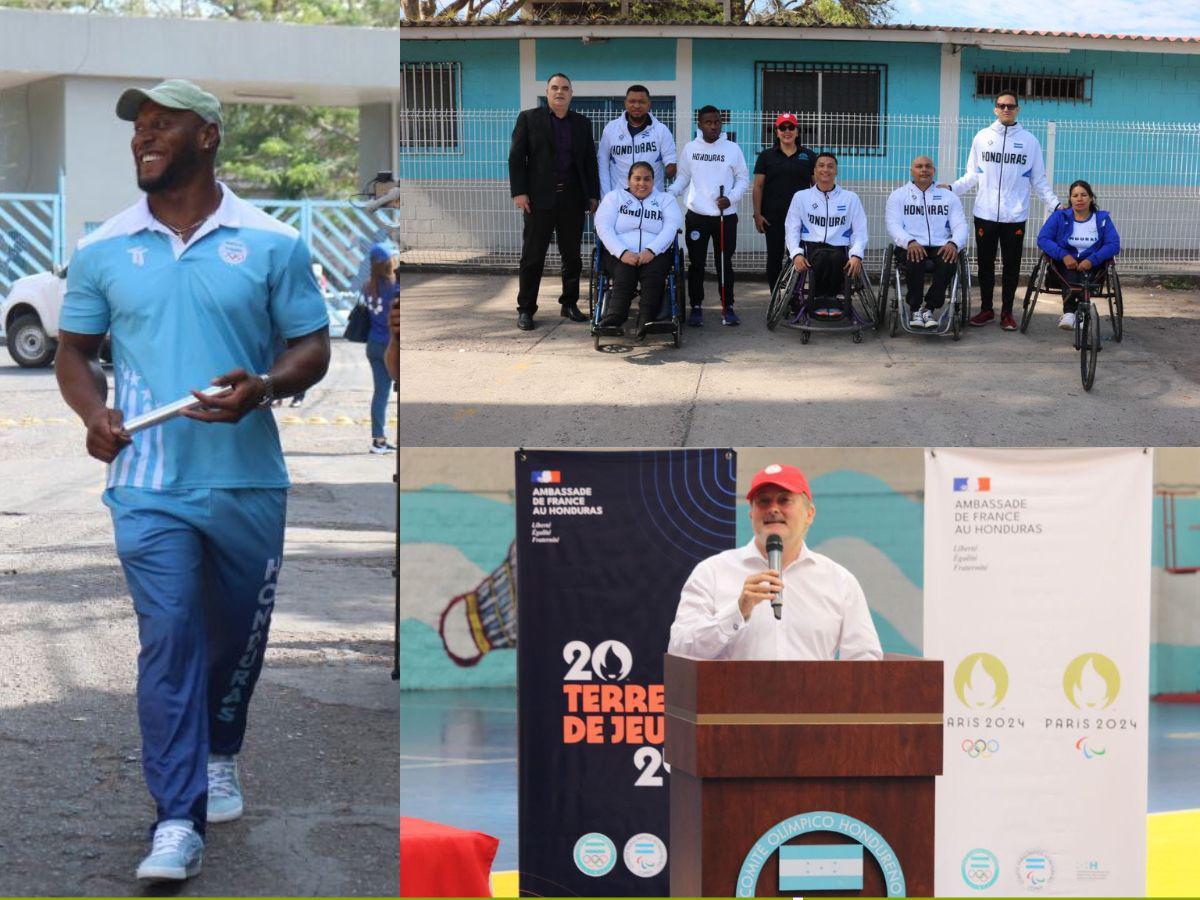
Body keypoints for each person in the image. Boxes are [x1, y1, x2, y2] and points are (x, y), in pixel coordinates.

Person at [54, 79, 331, 883]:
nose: (143, 138)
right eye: (137, 129)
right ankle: (177, 817)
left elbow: (311, 347)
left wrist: (267, 388)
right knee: (168, 636)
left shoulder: (273, 242)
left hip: (247, 482)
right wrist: (91, 414)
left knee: (235, 634)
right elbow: (74, 351)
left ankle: (222, 745)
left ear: (206, 136)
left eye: (160, 125)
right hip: (146, 482)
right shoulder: (105, 247)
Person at [668, 463, 882, 661]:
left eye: (784, 499)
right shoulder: (712, 572)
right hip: (734, 702)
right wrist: (737, 612)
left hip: (814, 702)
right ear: (751, 513)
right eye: (763, 501)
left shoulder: (840, 581)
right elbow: (680, 650)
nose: (773, 509)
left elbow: (865, 658)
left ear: (809, 513)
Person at [951, 91, 1058, 331]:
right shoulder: (982, 137)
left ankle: (1007, 313)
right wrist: (951, 189)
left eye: (1010, 106)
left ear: (1018, 109)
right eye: (1001, 105)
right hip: (985, 214)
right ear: (995, 109)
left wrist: (1056, 205)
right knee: (985, 265)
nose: (1006, 109)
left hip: (1015, 216)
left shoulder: (1030, 141)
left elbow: (1038, 180)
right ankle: (987, 309)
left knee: (1012, 266)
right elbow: (971, 175)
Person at [508, 73, 601, 332]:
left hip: (572, 200)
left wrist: (592, 194)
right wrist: (519, 192)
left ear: (571, 94)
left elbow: (589, 161)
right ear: (547, 92)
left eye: (565, 88)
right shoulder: (529, 119)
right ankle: (526, 309)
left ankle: (569, 303)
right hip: (538, 201)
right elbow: (516, 158)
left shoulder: (582, 123)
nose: (560, 92)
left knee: (572, 256)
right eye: (555, 88)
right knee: (532, 257)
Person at [669, 105, 749, 328]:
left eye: (717, 122)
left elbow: (743, 179)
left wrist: (731, 198)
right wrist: (668, 195)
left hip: (725, 217)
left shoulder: (732, 149)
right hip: (697, 216)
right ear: (700, 124)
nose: (713, 126)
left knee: (724, 263)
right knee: (696, 264)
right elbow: (683, 179)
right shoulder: (690, 148)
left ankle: (728, 307)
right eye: (708, 122)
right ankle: (696, 307)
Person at [593, 161, 683, 334]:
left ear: (653, 181)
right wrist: (622, 252)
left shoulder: (665, 200)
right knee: (625, 272)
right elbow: (603, 227)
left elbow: (671, 227)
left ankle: (646, 319)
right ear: (628, 181)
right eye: (637, 179)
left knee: (654, 273)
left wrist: (651, 251)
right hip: (619, 254)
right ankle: (615, 317)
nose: (642, 183)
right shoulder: (614, 198)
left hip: (655, 254)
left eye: (647, 179)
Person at [885, 156, 968, 328]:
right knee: (915, 257)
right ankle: (915, 308)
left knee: (948, 258)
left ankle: (929, 308)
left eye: (928, 166)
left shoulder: (948, 196)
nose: (924, 169)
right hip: (909, 245)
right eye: (919, 166)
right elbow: (893, 225)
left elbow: (960, 225)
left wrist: (953, 243)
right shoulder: (898, 196)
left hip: (941, 245)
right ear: (912, 171)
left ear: (933, 171)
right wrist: (909, 242)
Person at [783, 152, 868, 318]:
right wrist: (796, 254)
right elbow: (791, 228)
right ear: (814, 170)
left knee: (835, 258)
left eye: (830, 166)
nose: (825, 169)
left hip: (840, 247)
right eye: (821, 165)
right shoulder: (801, 197)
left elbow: (860, 230)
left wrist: (857, 254)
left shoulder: (850, 198)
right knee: (821, 258)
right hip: (810, 247)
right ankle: (822, 300)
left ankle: (829, 299)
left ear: (836, 171)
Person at [1036, 179, 1121, 330]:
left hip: (1093, 263)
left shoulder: (1102, 219)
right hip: (1065, 263)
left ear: (1091, 198)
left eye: (1084, 195)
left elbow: (1113, 244)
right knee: (1070, 273)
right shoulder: (1059, 217)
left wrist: (1092, 260)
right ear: (1070, 199)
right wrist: (1063, 255)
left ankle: (1082, 312)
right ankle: (1069, 312)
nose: (1079, 199)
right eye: (1075, 196)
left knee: (1085, 276)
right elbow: (1043, 239)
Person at [753, 112, 816, 292]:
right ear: (777, 132)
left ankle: (794, 296)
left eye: (791, 128)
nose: (787, 131)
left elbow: (816, 187)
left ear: (797, 132)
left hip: (801, 219)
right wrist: (757, 214)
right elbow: (758, 186)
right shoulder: (766, 156)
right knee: (774, 257)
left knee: (797, 257)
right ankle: (776, 297)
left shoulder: (809, 156)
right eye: (783, 128)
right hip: (773, 217)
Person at [596, 84, 677, 196]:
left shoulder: (661, 130)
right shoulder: (611, 129)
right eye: (632, 101)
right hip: (620, 198)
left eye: (642, 102)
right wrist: (606, 196)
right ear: (625, 103)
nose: (637, 105)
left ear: (649, 104)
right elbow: (603, 165)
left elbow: (670, 161)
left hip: (652, 199)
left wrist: (670, 169)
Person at [363, 242, 398, 452]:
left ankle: (378, 439)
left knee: (380, 393)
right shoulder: (395, 287)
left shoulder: (367, 286)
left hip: (373, 344)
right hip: (391, 346)